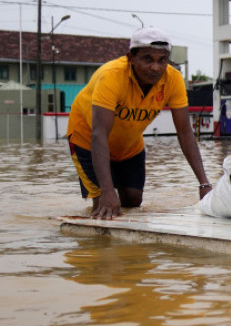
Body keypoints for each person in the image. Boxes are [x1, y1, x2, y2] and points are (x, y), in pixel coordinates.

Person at [67, 26, 211, 219]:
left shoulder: (173, 79)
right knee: (104, 205)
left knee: (133, 200)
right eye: (147, 59)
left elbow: (185, 133)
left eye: (162, 60)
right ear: (131, 58)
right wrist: (108, 191)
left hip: (129, 143)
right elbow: (98, 133)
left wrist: (204, 184)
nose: (156, 68)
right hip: (87, 140)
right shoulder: (111, 76)